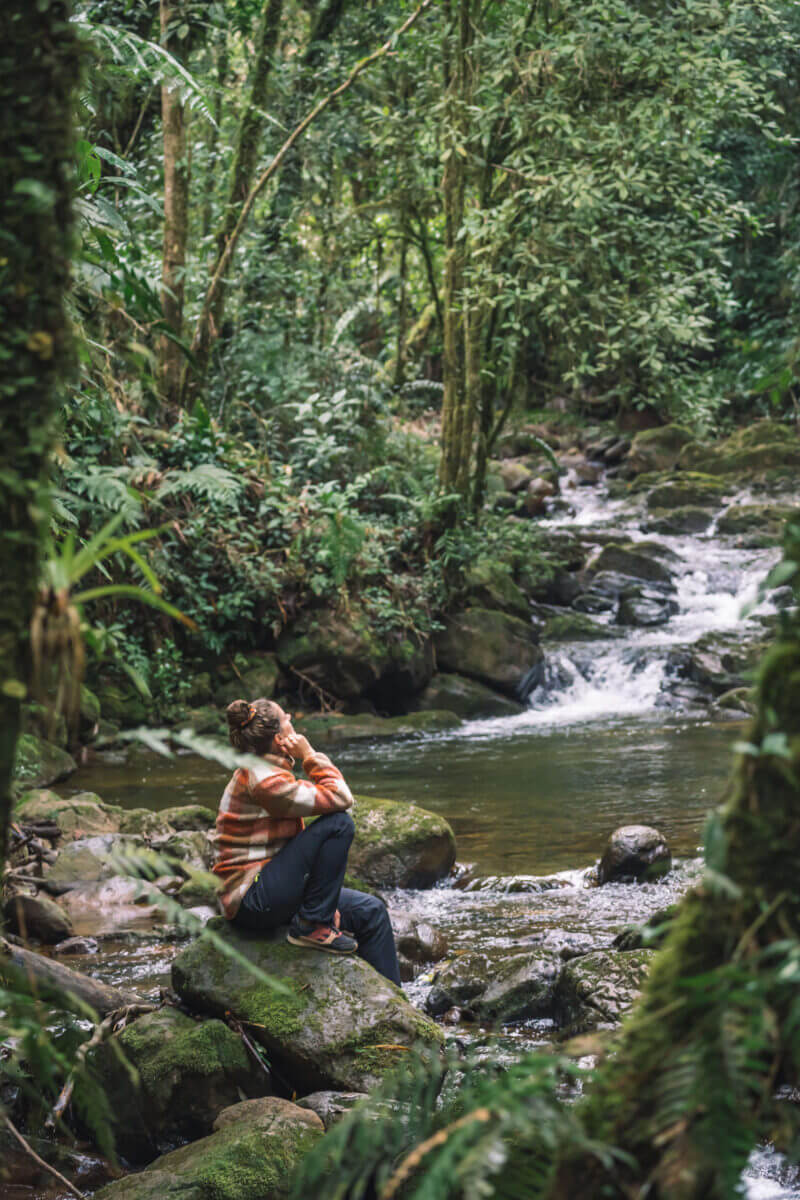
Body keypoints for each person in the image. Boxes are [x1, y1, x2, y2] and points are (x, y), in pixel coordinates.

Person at [211, 696, 401, 985]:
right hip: (251, 899)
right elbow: (341, 798)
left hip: (273, 887)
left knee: (372, 911)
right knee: (338, 824)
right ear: (279, 738)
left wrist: (322, 901)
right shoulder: (264, 780)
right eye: (287, 719)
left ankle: (394, 1002)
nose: (291, 718)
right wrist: (309, 753)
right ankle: (312, 925)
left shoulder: (268, 771)